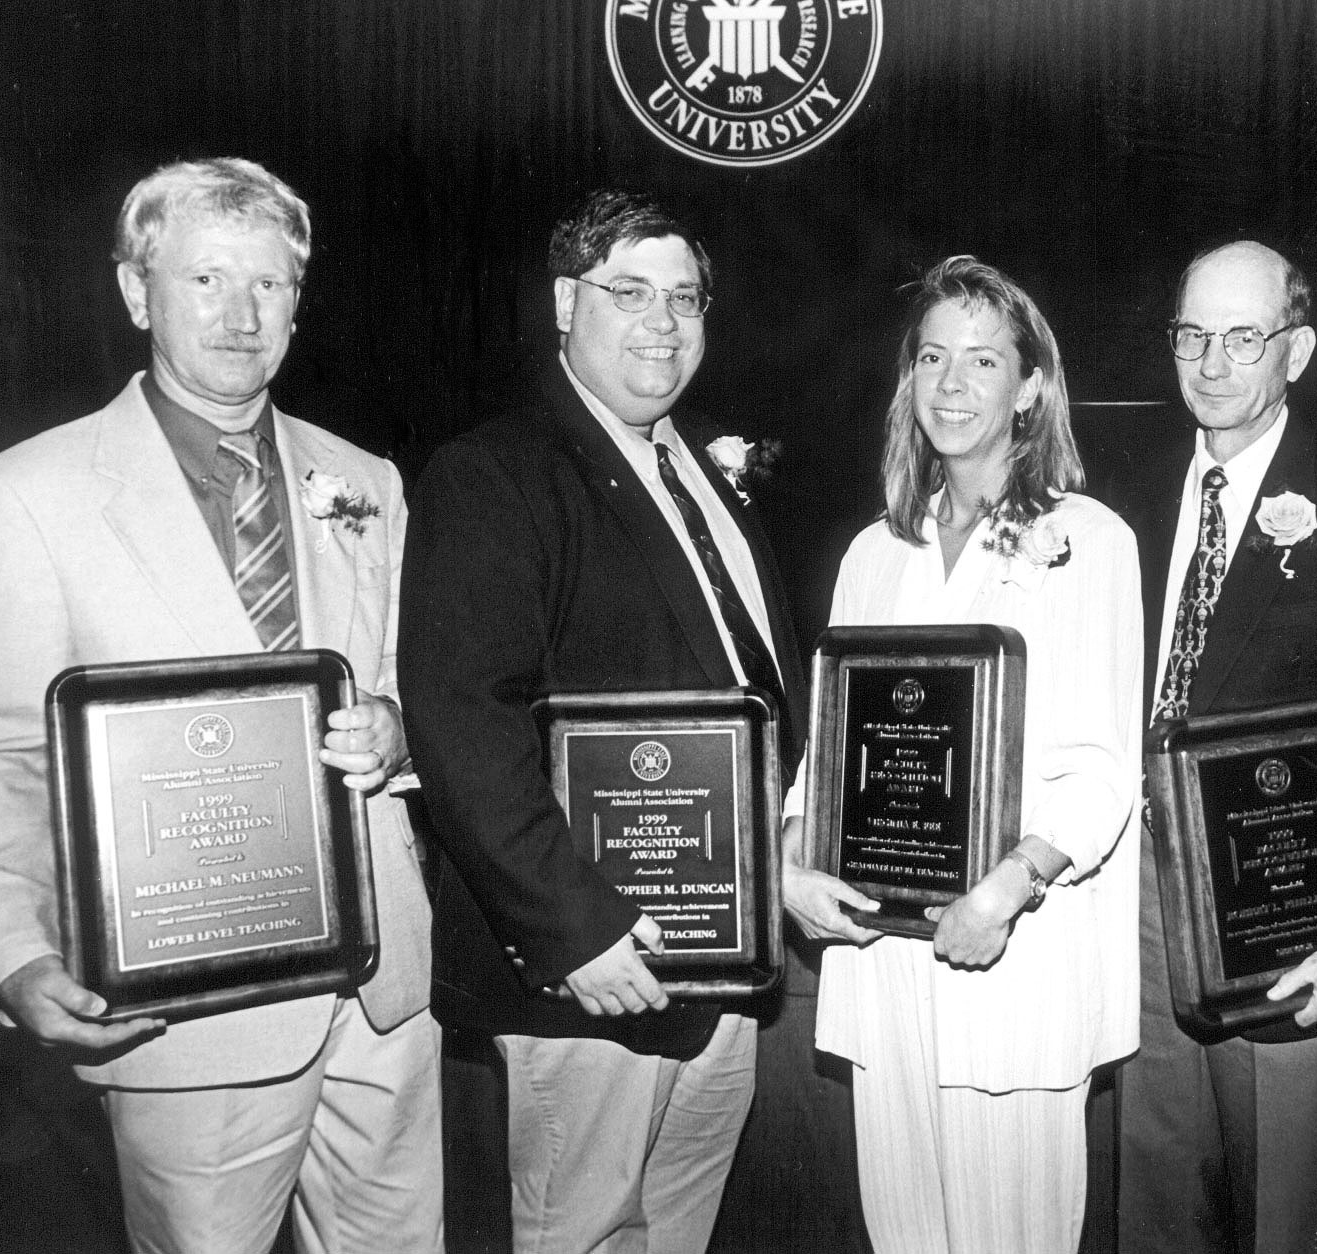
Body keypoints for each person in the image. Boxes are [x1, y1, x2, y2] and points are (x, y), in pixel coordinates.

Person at [0, 158, 440, 1254]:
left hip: (383, 1003)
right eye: (206, 278)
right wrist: (14, 953)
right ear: (137, 294)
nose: (241, 313)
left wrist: (396, 731)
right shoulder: (25, 495)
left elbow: (407, 677)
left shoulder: (365, 480)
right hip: (189, 1015)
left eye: (269, 285)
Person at [398, 188, 807, 1254]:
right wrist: (573, 929)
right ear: (567, 302)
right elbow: (460, 724)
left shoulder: (712, 477)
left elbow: (748, 703)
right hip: (593, 975)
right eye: (630, 293)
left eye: (685, 296)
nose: (662, 323)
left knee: (675, 1235)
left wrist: (781, 868)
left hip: (721, 964)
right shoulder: (495, 473)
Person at [1101, 240, 1317, 1253]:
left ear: (1295, 351)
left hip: (1296, 920)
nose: (1212, 363)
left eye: (1243, 337)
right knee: (1157, 1202)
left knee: (1282, 1218)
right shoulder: (1121, 490)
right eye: (1193, 335)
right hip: (1135, 914)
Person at [781, 255, 1142, 1254]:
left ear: (1030, 387)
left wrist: (1011, 884)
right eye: (932, 357)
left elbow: (1107, 766)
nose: (950, 384)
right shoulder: (871, 553)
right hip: (882, 958)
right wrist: (790, 863)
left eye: (982, 361)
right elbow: (829, 752)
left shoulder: (1088, 540)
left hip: (1010, 951)